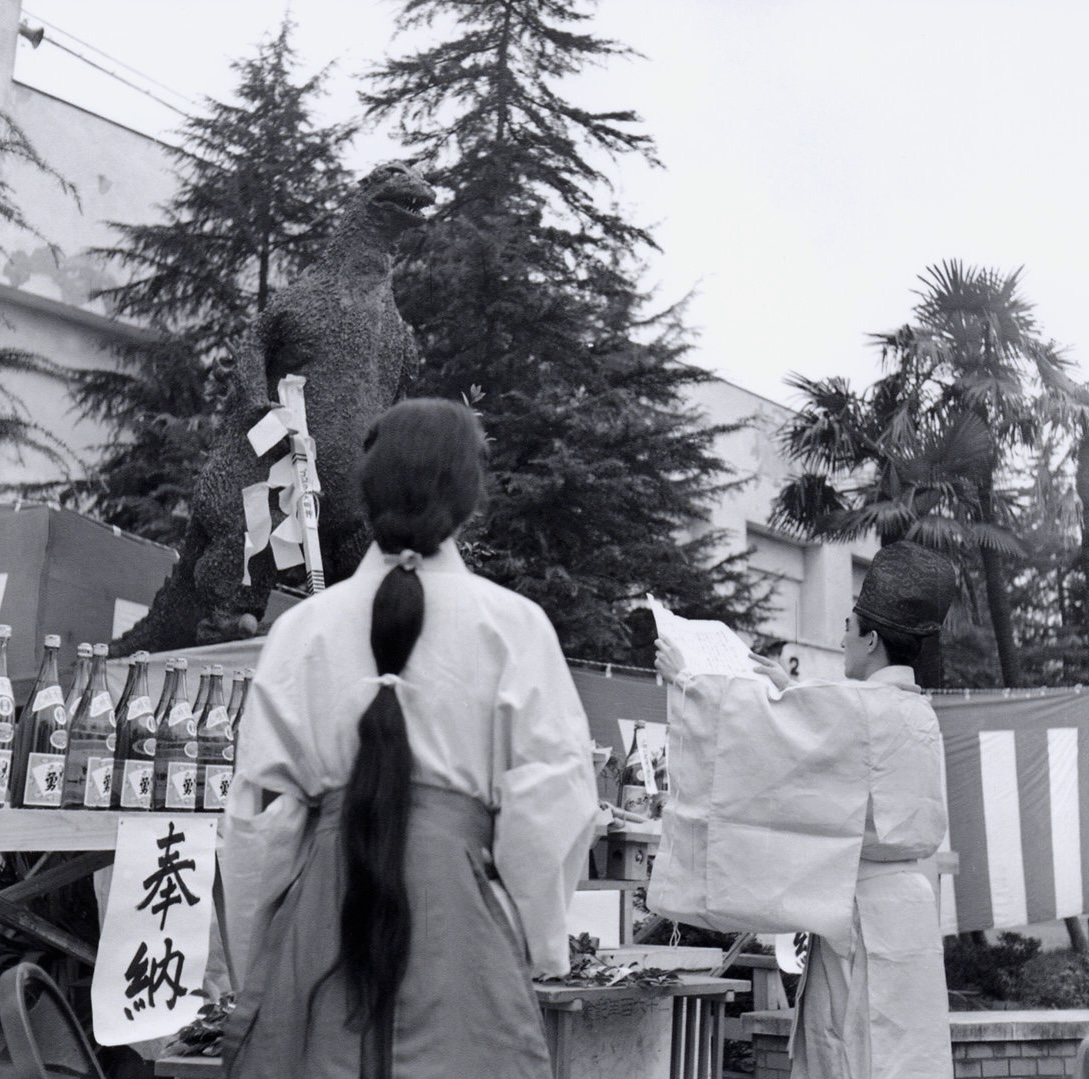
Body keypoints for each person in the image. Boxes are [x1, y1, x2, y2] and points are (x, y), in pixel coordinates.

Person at [220, 398, 599, 1078]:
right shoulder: (513, 625)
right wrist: (532, 937)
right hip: (460, 915)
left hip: (322, 914)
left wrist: (257, 960)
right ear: (469, 498)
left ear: (368, 494)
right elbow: (550, 807)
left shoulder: (301, 630)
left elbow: (259, 821)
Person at [654, 540, 957, 1079]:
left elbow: (799, 738)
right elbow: (840, 744)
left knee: (851, 1053)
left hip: (861, 914)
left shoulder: (862, 708)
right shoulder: (917, 711)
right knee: (908, 1055)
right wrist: (790, 690)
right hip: (908, 908)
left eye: (848, 626)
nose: (841, 639)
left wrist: (689, 683)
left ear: (871, 639)